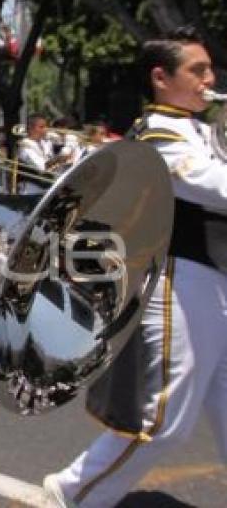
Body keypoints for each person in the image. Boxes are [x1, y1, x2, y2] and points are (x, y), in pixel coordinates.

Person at [44, 26, 227, 507]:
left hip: (214, 281)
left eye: (210, 69)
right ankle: (74, 491)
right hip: (180, 280)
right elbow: (213, 185)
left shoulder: (202, 129)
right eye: (198, 70)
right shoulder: (160, 133)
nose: (210, 78)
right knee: (163, 421)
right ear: (161, 78)